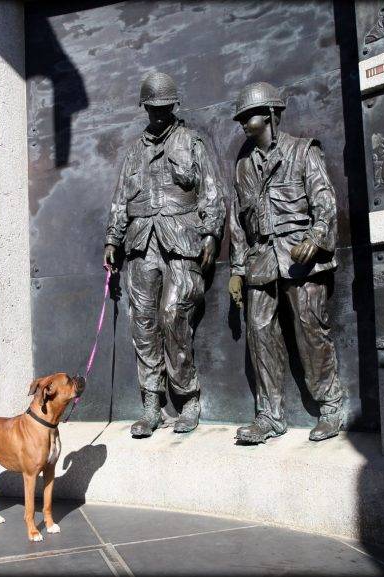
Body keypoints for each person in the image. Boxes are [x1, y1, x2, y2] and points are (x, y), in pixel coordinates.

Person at [104, 71, 225, 437]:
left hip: (182, 241)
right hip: (141, 243)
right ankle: (152, 403)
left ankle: (188, 397)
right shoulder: (133, 153)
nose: (157, 114)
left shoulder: (192, 142)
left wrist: (211, 235)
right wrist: (112, 240)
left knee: (173, 315)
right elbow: (119, 203)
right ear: (144, 108)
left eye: (163, 108)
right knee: (143, 321)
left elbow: (212, 194)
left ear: (174, 105)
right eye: (151, 108)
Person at [227, 81, 342, 444]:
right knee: (260, 335)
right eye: (242, 118)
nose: (246, 123)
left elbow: (324, 201)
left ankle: (331, 406)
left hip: (300, 259)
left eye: (252, 116)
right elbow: (237, 222)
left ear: (272, 115)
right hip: (260, 262)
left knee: (310, 330)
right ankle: (270, 416)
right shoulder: (243, 166)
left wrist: (316, 237)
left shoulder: (303, 151)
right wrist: (236, 269)